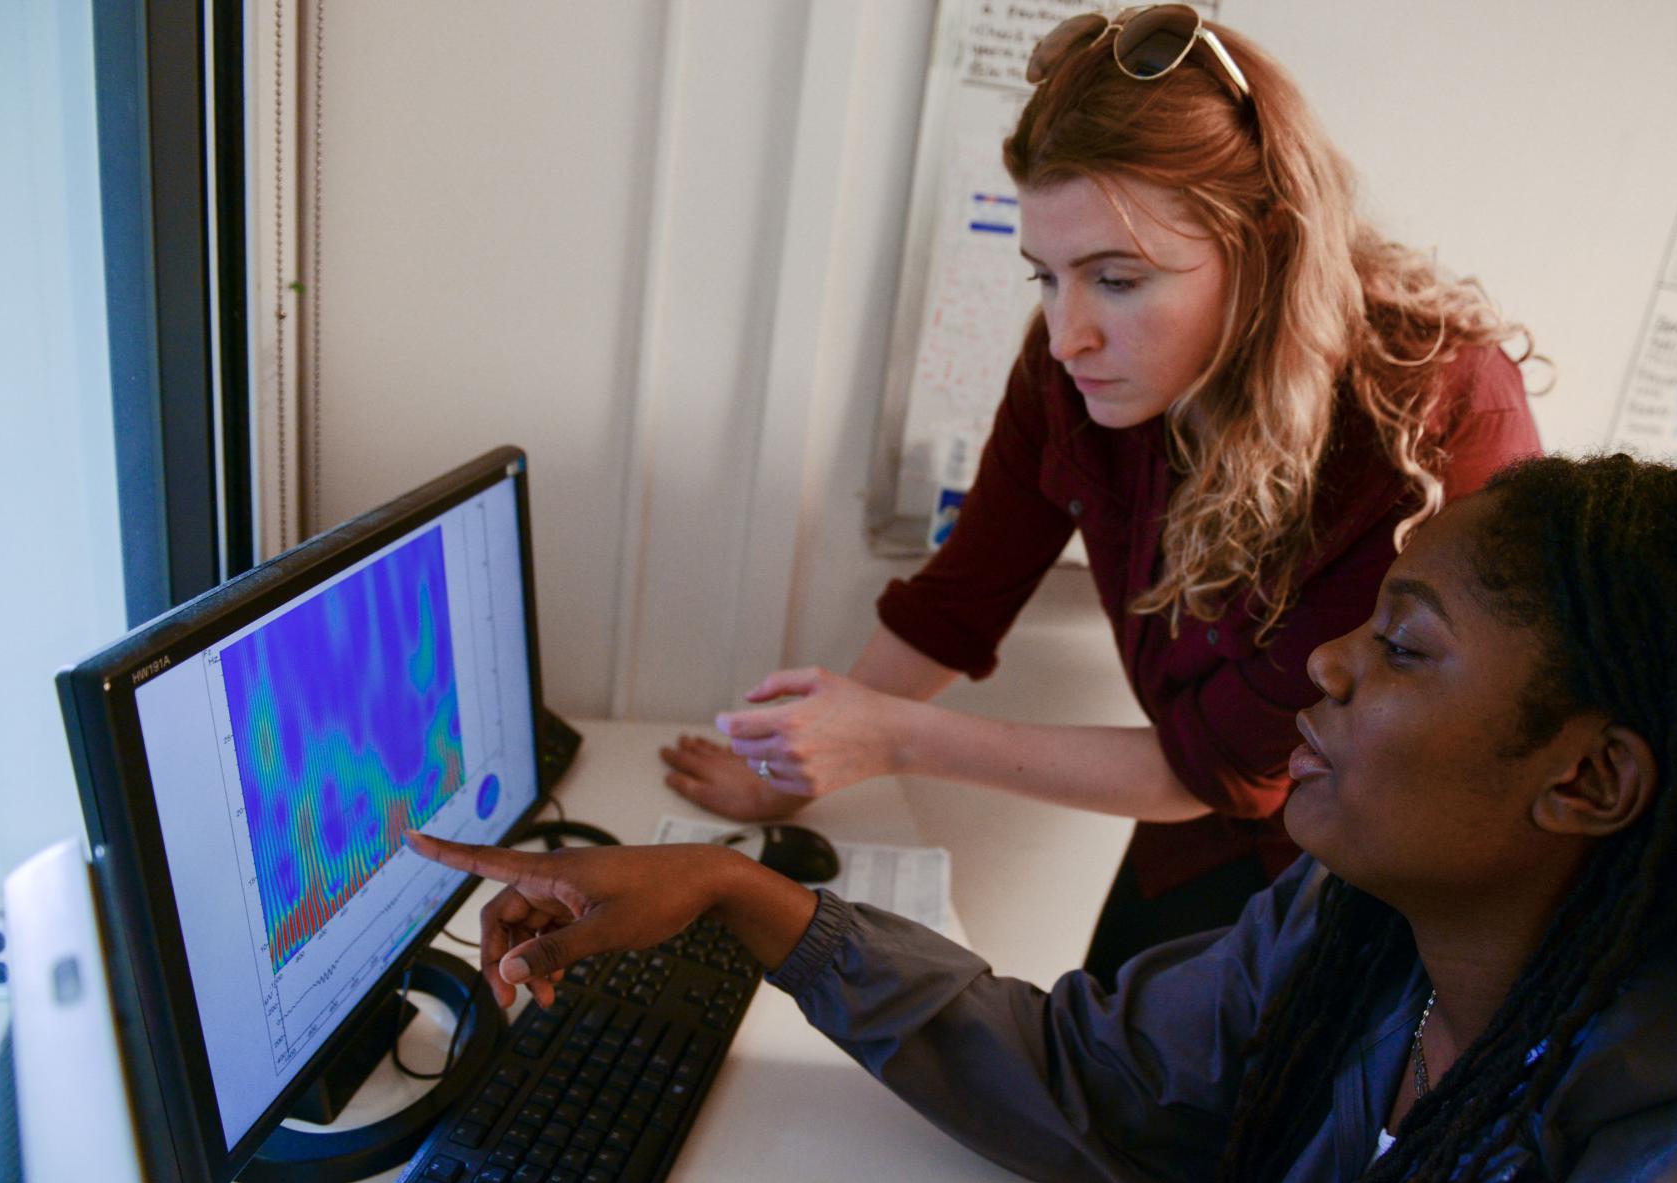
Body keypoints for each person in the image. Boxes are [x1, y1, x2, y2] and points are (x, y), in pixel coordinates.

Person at [411, 454, 1677, 1183]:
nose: (1327, 660)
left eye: (1404, 641)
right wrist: (743, 894)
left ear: (1587, 783)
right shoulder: (1369, 937)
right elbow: (1092, 1077)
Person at [658, 5, 1543, 990]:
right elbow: (961, 598)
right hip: (1205, 838)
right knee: (1112, 1091)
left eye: (1115, 279)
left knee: (1260, 1128)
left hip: (1393, 882)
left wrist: (889, 737)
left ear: (1261, 248)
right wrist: (794, 760)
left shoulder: (1427, 416)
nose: (1066, 330)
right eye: (1046, 277)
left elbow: (1226, 767)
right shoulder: (1072, 370)